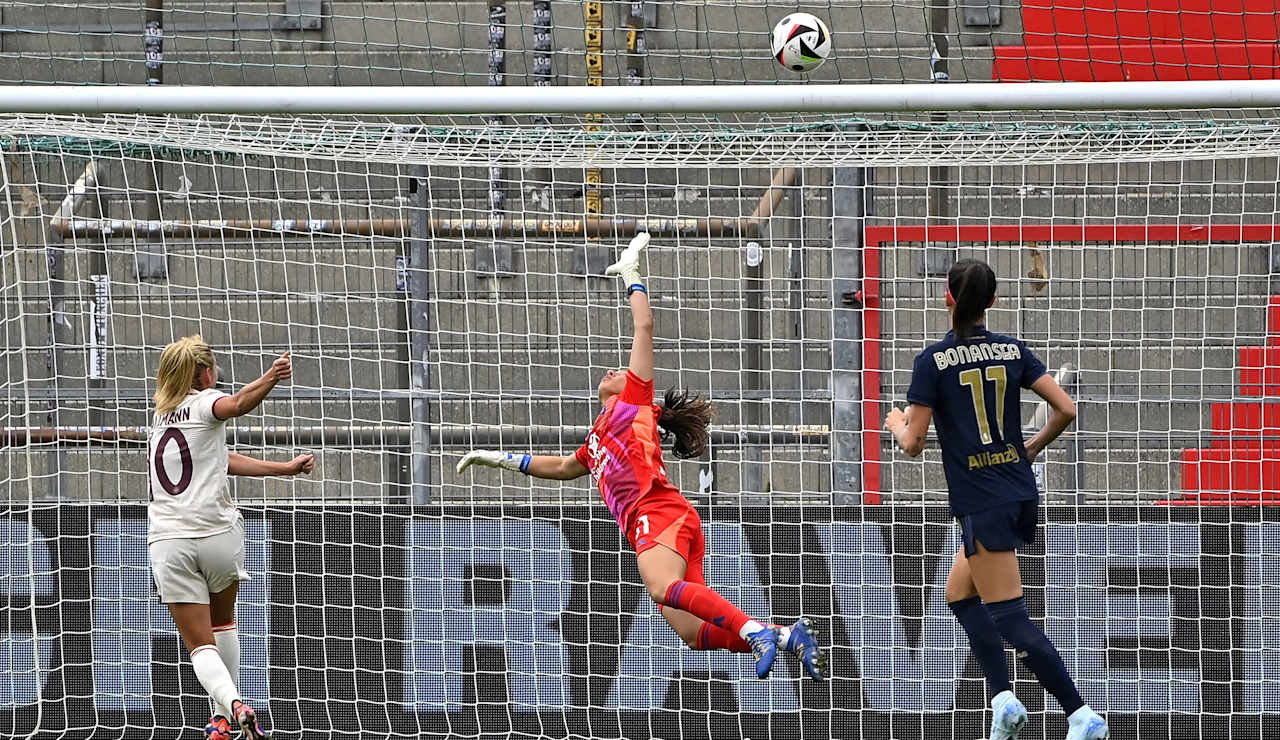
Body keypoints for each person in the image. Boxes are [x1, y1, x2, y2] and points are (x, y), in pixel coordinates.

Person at [457, 234, 826, 681]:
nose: (613, 370)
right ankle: (786, 636)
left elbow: (644, 327)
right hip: (669, 522)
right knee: (692, 632)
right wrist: (496, 458)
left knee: (659, 586)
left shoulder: (634, 401)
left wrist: (632, 275)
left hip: (657, 510)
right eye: (613, 370)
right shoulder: (595, 439)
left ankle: (754, 632)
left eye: (619, 369)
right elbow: (560, 468)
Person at [884, 259, 1108, 740]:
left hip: (983, 500)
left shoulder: (932, 362)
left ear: (947, 297)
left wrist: (896, 420)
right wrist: (1028, 448)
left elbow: (912, 444)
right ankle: (1003, 702)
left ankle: (1081, 715)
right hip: (1018, 491)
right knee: (959, 594)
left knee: (1011, 619)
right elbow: (1065, 408)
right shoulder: (1012, 349)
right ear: (992, 301)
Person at [147, 336, 315, 740]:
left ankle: (231, 706)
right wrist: (272, 376)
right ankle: (223, 719)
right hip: (218, 537)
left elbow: (221, 461)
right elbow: (236, 405)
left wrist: (280, 469)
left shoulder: (159, 420)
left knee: (199, 645)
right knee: (223, 623)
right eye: (214, 367)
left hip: (170, 543)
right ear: (204, 373)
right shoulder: (206, 402)